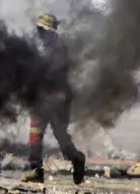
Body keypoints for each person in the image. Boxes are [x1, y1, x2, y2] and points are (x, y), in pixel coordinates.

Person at [21, 13, 85, 185]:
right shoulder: (46, 47)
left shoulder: (58, 49)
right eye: (39, 29)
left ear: (49, 31)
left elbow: (54, 73)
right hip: (44, 97)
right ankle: (35, 169)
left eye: (41, 29)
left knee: (60, 136)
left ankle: (77, 159)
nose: (39, 33)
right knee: (36, 133)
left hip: (56, 98)